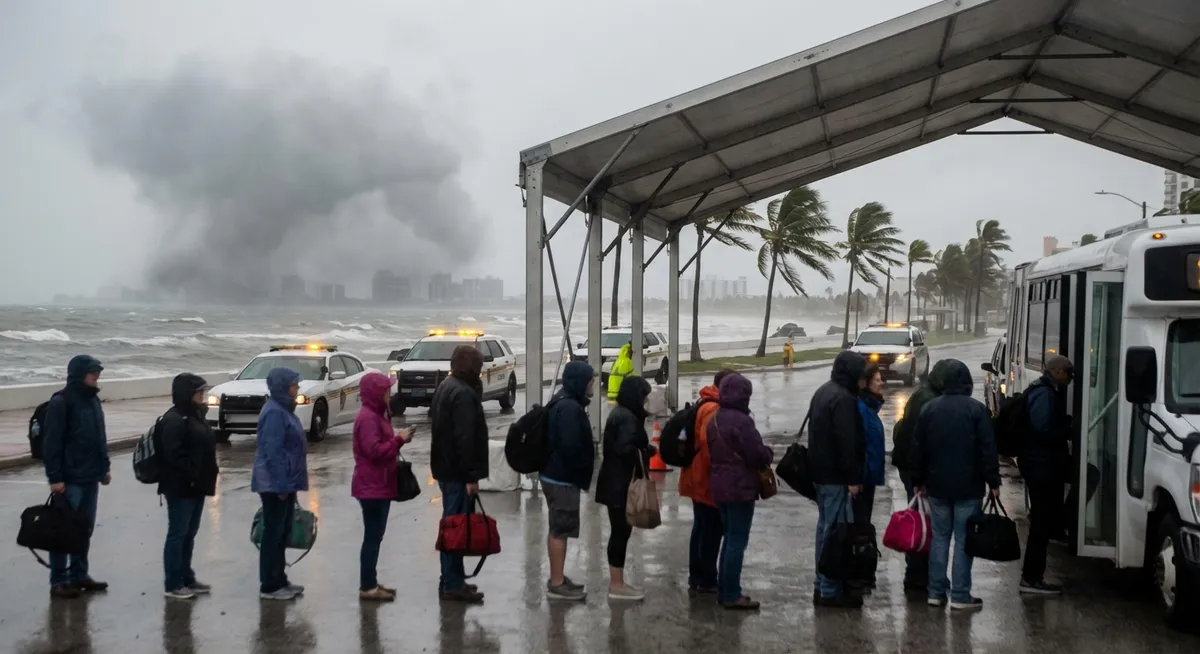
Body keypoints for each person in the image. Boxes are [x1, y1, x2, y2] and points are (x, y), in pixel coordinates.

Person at [909, 359, 1001, 611]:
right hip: (968, 487)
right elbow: (987, 449)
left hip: (936, 485)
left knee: (939, 539)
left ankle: (935, 593)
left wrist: (918, 480)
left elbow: (918, 448)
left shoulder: (930, 409)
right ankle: (960, 595)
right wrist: (993, 480)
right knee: (963, 540)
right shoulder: (976, 410)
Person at [42, 354, 111, 599]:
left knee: (84, 530)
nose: (97, 376)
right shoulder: (61, 402)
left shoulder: (93, 401)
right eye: (93, 372)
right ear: (79, 373)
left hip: (91, 477)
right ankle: (59, 581)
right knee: (62, 532)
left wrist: (104, 468)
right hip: (69, 480)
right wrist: (55, 478)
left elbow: (100, 437)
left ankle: (79, 575)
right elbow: (52, 444)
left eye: (97, 372)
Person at [708, 372, 774, 610]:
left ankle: (724, 589)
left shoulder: (714, 419)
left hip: (718, 486)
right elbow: (757, 454)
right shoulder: (742, 422)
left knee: (729, 538)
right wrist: (768, 454)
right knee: (737, 540)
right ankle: (731, 594)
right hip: (740, 487)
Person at [806, 350, 867, 608]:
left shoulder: (824, 391)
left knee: (825, 529)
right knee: (834, 532)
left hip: (821, 473)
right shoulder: (843, 399)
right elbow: (846, 443)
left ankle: (823, 583)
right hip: (836, 477)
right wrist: (852, 478)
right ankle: (829, 589)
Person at [430, 345, 490, 604]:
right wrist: (471, 477)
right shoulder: (463, 394)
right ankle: (453, 584)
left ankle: (451, 580)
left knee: (451, 526)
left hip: (445, 469)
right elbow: (465, 440)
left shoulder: (447, 385)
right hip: (457, 473)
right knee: (455, 528)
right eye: (479, 365)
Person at [892, 360, 953, 593]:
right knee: (926, 524)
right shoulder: (931, 401)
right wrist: (923, 478)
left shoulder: (922, 395)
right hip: (918, 469)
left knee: (919, 521)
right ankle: (923, 576)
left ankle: (916, 574)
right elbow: (927, 442)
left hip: (909, 465)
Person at [352, 372, 414, 602]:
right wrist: (398, 440)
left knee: (375, 535)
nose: (390, 393)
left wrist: (399, 439)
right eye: (387, 389)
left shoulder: (377, 414)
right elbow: (374, 452)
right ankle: (367, 586)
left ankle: (370, 582)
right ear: (378, 392)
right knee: (372, 536)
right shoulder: (368, 418)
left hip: (379, 483)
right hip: (371, 485)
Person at [158, 373, 220, 600]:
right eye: (198, 393)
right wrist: (193, 472)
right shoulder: (174, 419)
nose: (202, 397)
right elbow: (173, 454)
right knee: (178, 534)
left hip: (197, 486)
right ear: (187, 394)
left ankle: (187, 577)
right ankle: (173, 582)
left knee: (189, 534)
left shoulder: (195, 416)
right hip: (180, 487)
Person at [251, 368, 309, 601]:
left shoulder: (283, 409)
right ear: (283, 387)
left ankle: (280, 580)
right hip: (275, 485)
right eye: (294, 385)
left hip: (286, 482)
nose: (297, 389)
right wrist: (281, 485)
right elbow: (272, 452)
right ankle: (269, 585)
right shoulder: (274, 413)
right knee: (273, 535)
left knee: (282, 532)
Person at [540, 359, 596, 601]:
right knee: (560, 529)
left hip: (555, 475)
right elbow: (570, 446)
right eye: (590, 380)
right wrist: (583, 469)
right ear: (580, 382)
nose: (593, 384)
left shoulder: (562, 401)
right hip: (561, 478)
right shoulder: (570, 409)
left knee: (559, 527)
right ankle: (556, 583)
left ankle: (558, 577)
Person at [594, 375, 654, 602]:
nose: (646, 401)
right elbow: (626, 449)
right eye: (644, 396)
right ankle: (616, 585)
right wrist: (646, 452)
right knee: (620, 533)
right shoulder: (628, 418)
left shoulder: (619, 414)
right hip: (620, 484)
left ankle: (617, 582)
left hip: (613, 482)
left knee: (620, 532)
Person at [1019, 354, 1073, 596]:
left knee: (1044, 520)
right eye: (1069, 373)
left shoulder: (1046, 391)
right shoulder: (1045, 394)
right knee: (1040, 524)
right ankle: (1031, 579)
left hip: (1041, 464)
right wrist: (1067, 429)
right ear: (1058, 371)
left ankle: (1033, 576)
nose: (1071, 378)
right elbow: (1042, 428)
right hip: (1040, 466)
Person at [678, 369, 731, 596]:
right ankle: (706, 578)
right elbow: (709, 445)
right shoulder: (713, 408)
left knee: (701, 527)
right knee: (710, 529)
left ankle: (697, 576)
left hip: (696, 475)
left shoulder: (705, 402)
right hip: (705, 478)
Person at [855, 363, 886, 591]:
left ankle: (863, 573)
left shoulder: (870, 408)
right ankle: (861, 575)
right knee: (860, 525)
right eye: (878, 380)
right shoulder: (862, 409)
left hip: (868, 478)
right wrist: (860, 477)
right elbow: (859, 446)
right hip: (863, 480)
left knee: (863, 524)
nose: (882, 382)